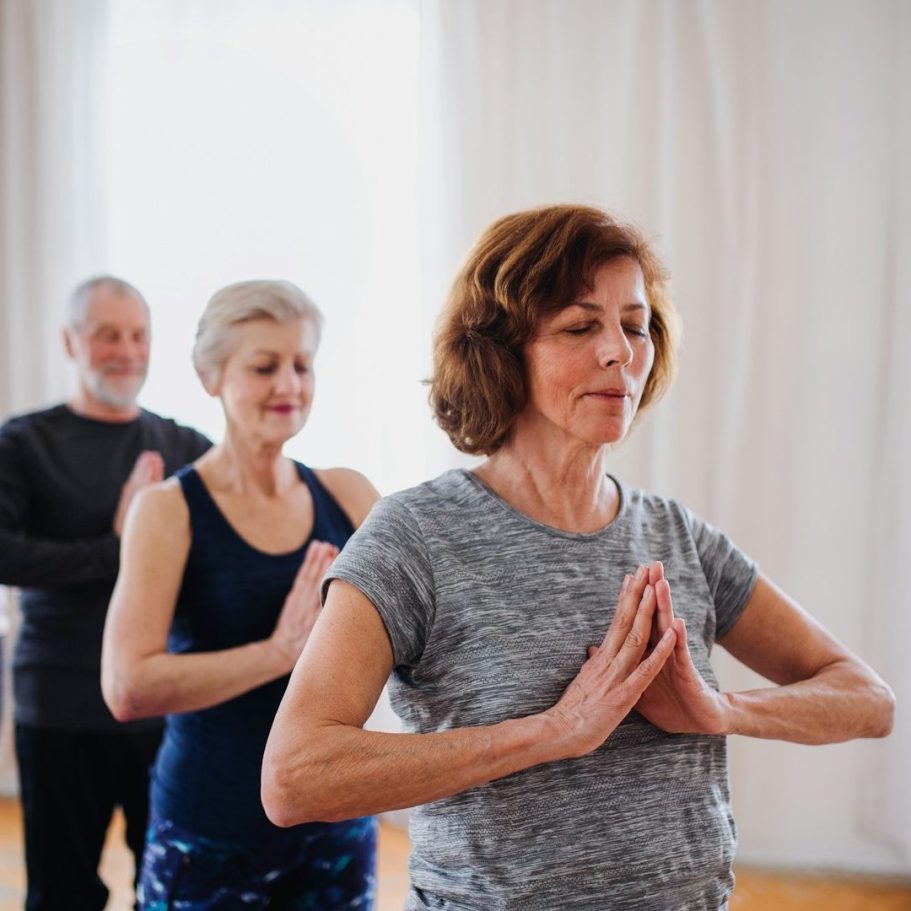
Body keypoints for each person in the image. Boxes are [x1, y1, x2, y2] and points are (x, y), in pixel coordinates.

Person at [261, 205, 896, 911]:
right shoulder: (416, 535)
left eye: (635, 325)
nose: (619, 351)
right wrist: (552, 732)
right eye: (579, 326)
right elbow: (294, 776)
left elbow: (866, 701)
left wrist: (719, 709)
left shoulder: (677, 535)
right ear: (502, 351)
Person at [102, 280, 379, 910]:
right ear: (211, 377)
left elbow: (424, 626)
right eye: (264, 367)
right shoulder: (167, 511)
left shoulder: (350, 494)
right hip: (210, 834)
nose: (290, 385)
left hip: (336, 825)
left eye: (302, 365)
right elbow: (127, 687)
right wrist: (277, 653)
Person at [0, 276, 211, 911]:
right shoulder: (23, 442)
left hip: (163, 701)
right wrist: (121, 544)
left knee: (171, 886)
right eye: (107, 335)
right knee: (62, 892)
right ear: (70, 342)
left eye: (138, 335)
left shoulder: (184, 446)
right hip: (59, 704)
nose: (127, 350)